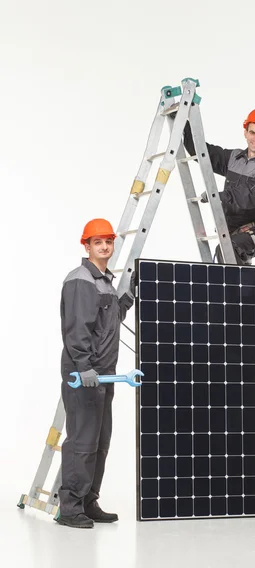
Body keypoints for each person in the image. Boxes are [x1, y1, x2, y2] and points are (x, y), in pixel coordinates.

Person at [57, 218, 134, 529]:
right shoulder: (81, 279)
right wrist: (84, 365)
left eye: (109, 241)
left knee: (101, 442)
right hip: (84, 373)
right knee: (82, 442)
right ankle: (70, 507)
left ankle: (89, 501)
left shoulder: (104, 281)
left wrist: (128, 296)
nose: (105, 246)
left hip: (104, 374)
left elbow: (109, 320)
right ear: (86, 246)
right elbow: (77, 328)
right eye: (98, 241)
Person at [183, 108, 255, 265]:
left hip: (254, 231)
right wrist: (183, 122)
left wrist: (216, 196)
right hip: (229, 233)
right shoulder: (234, 158)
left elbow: (249, 197)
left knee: (227, 253)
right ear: (245, 132)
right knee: (226, 270)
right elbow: (202, 153)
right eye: (252, 133)